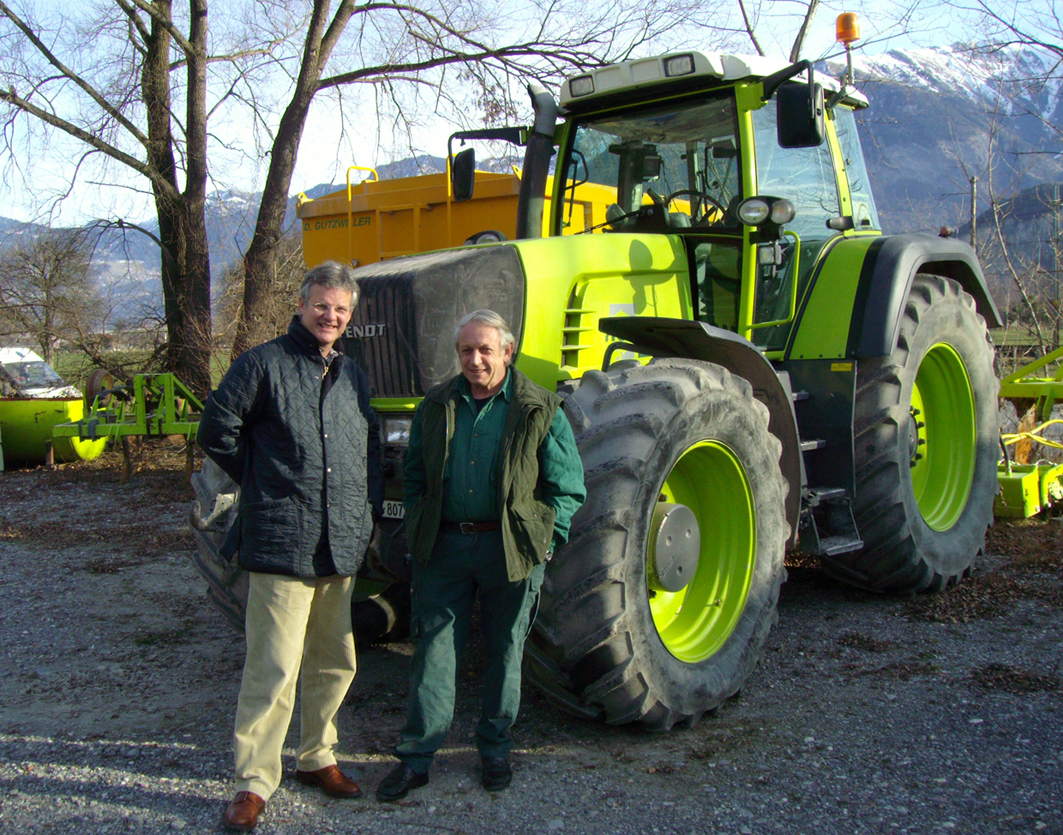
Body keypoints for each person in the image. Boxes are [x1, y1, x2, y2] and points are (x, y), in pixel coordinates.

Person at [197, 261, 383, 831]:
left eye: (341, 310)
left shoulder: (353, 375)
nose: (330, 316)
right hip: (284, 536)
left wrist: (366, 505)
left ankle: (316, 756)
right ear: (302, 306)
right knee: (274, 665)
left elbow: (370, 447)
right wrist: (261, 480)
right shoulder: (262, 364)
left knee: (334, 660)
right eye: (322, 305)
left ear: (349, 318)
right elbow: (216, 429)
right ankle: (254, 780)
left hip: (340, 538)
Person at [375, 309, 586, 801]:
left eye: (485, 350)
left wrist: (544, 543)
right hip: (445, 547)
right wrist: (421, 523)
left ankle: (494, 748)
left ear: (507, 352)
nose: (474, 360)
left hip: (510, 550)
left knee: (505, 650)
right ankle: (417, 758)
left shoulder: (540, 408)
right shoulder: (436, 405)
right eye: (466, 350)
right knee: (433, 651)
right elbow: (414, 477)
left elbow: (567, 489)